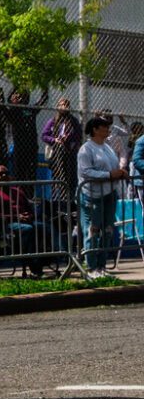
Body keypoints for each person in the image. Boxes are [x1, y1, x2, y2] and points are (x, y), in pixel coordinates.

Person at [77, 117, 127, 279]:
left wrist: (120, 173)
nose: (108, 129)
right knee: (92, 231)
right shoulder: (86, 149)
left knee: (107, 231)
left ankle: (102, 266)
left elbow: (114, 166)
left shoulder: (107, 147)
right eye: (104, 127)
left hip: (109, 194)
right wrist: (109, 175)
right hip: (92, 196)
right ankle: (91, 268)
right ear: (95, 129)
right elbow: (86, 172)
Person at [0, 165, 35, 263]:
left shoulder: (17, 191)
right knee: (28, 229)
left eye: (6, 173)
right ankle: (25, 257)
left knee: (44, 227)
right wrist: (16, 217)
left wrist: (29, 216)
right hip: (5, 224)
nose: (4, 175)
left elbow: (29, 209)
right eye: (0, 174)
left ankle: (60, 255)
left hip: (24, 221)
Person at [41, 98, 82, 202]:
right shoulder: (53, 120)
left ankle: (69, 199)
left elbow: (79, 135)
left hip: (70, 152)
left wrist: (68, 137)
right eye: (61, 105)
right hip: (57, 152)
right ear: (58, 107)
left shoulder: (73, 121)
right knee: (57, 176)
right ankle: (56, 200)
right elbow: (44, 135)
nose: (64, 107)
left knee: (71, 177)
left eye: (66, 105)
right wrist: (54, 140)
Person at [6, 88, 44, 182]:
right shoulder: (12, 111)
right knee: (19, 173)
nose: (20, 98)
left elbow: (42, 101)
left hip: (32, 146)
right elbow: (5, 108)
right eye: (18, 96)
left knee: (31, 173)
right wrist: (13, 102)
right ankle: (19, 190)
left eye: (22, 96)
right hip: (19, 147)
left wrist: (44, 88)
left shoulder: (30, 109)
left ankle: (30, 191)